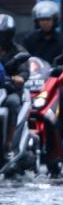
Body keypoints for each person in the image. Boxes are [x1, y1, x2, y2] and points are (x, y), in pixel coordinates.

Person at [0, 14, 30, 158]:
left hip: (10, 90)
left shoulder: (19, 51)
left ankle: (9, 143)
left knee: (12, 103)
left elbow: (24, 72)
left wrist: (17, 78)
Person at [22, 0, 63, 66]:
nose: (45, 23)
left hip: (58, 75)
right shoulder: (30, 40)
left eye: (48, 19)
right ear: (37, 22)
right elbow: (24, 59)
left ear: (55, 20)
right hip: (35, 75)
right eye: (42, 20)